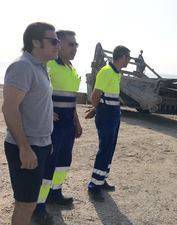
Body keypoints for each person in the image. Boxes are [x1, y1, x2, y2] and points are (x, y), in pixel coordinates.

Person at [2, 22, 59, 225]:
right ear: (35, 42)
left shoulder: (40, 67)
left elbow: (34, 101)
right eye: (53, 41)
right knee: (25, 204)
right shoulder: (22, 66)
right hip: (26, 146)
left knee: (30, 203)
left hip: (40, 144)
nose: (57, 45)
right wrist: (25, 148)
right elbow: (9, 108)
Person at [34, 30, 82, 223]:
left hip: (68, 123)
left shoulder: (71, 68)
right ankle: (38, 205)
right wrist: (45, 113)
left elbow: (72, 99)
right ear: (58, 44)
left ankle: (55, 193)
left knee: (63, 161)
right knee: (48, 163)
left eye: (76, 45)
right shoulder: (49, 66)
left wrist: (76, 121)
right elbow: (36, 92)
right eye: (71, 44)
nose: (75, 48)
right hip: (53, 125)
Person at [86, 45, 130, 201]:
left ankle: (101, 179)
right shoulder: (106, 71)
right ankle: (94, 186)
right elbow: (95, 96)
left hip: (114, 115)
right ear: (122, 57)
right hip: (106, 115)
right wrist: (97, 110)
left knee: (110, 148)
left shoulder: (117, 73)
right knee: (104, 149)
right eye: (128, 57)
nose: (129, 61)